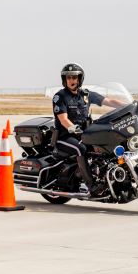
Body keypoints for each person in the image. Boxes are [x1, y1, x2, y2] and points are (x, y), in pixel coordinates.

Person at [52, 63, 125, 193]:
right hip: (65, 136)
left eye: (74, 77)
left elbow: (108, 101)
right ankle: (91, 186)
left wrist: (129, 105)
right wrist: (74, 128)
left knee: (105, 146)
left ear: (80, 79)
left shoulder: (86, 95)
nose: (71, 80)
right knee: (81, 149)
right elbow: (63, 119)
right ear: (65, 80)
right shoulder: (60, 97)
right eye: (68, 78)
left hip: (84, 135)